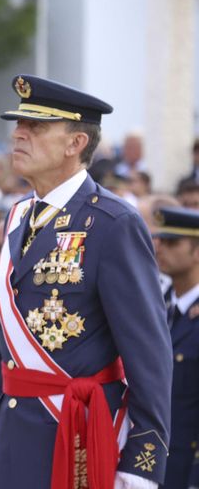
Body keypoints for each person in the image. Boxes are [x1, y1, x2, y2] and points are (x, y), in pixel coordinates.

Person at [0, 74, 171, 488]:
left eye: (35, 127)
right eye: (19, 124)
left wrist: (141, 464)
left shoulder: (112, 222)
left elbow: (149, 353)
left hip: (79, 433)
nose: (19, 134)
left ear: (76, 143)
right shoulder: (18, 217)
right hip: (16, 431)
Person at [152, 207, 199, 489]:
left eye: (172, 243)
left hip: (188, 467)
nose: (161, 249)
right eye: (161, 241)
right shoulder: (161, 308)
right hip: (157, 463)